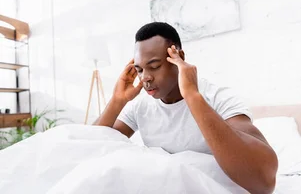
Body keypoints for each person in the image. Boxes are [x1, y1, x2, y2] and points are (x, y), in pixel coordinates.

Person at [94, 22, 278, 194]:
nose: (145, 78)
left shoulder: (219, 99)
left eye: (155, 66)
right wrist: (117, 100)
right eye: (140, 70)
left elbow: (263, 181)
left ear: (178, 58)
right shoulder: (140, 106)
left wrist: (192, 95)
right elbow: (89, 147)